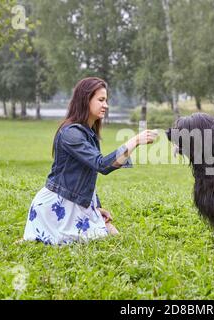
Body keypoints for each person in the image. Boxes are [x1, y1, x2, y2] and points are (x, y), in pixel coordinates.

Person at [22, 77, 158, 245]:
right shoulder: (71, 134)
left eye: (106, 100)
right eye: (101, 100)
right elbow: (102, 165)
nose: (106, 105)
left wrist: (96, 207)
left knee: (113, 233)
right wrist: (134, 141)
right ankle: (39, 234)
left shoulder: (87, 133)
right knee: (101, 238)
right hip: (58, 206)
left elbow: (89, 172)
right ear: (85, 100)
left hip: (76, 202)